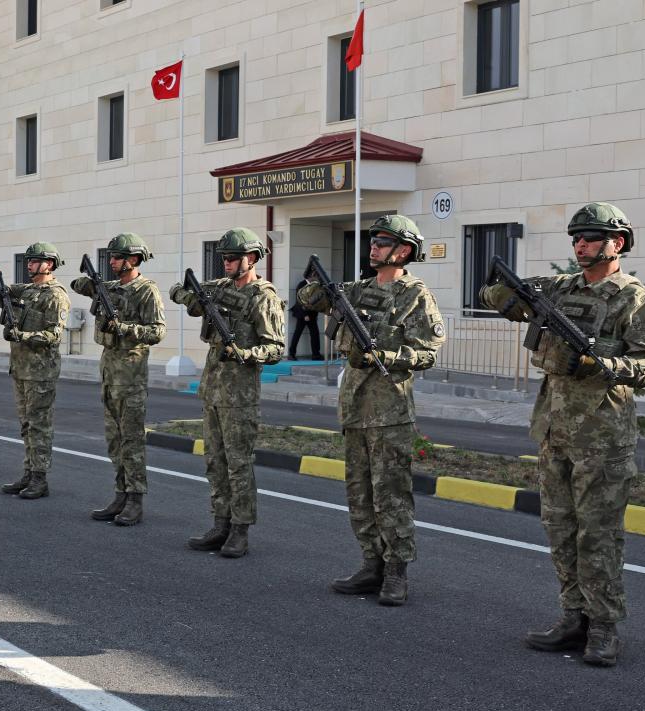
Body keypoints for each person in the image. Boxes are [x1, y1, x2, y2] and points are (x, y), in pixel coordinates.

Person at [479, 202, 645, 666]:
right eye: (575, 239)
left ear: (615, 244)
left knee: (597, 536)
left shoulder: (634, 298)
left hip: (602, 435)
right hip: (554, 428)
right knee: (560, 530)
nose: (580, 245)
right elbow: (499, 297)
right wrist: (504, 294)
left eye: (590, 237)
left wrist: (600, 363)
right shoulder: (559, 289)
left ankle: (604, 628)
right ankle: (572, 617)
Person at [298, 215, 446, 606]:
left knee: (391, 495)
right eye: (373, 241)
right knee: (359, 492)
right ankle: (370, 563)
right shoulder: (357, 289)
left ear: (403, 251)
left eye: (382, 242)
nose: (373, 247)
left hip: (389, 409)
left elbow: (428, 352)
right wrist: (316, 291)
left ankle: (396, 570)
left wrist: (389, 355)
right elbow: (308, 298)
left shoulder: (415, 294)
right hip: (354, 405)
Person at [169, 228, 284, 559]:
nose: (227, 264)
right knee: (214, 462)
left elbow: (275, 349)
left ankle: (240, 530)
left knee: (238, 463)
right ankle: (220, 523)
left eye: (233, 258)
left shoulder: (264, 297)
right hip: (213, 389)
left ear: (251, 259)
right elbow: (180, 291)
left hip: (240, 394)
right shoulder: (218, 289)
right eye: (224, 258)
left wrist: (246, 353)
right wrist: (193, 298)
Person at [71, 233, 166, 524]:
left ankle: (135, 500)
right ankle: (120, 494)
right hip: (109, 373)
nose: (111, 262)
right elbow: (78, 284)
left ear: (133, 260)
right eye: (110, 257)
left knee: (132, 441)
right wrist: (93, 283)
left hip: (131, 374)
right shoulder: (109, 288)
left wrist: (124, 327)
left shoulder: (146, 291)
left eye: (117, 257)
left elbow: (157, 331)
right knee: (114, 440)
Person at [0, 243, 70, 499]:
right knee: (26, 425)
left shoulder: (55, 295)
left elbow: (54, 335)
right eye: (29, 261)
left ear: (50, 265)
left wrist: (22, 335)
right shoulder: (27, 289)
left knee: (39, 426)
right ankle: (28, 471)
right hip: (21, 369)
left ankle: (40, 478)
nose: (30, 265)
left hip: (40, 372)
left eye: (35, 261)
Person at [288, 268, 324, 361]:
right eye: (316, 276)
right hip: (302, 314)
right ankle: (291, 354)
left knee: (315, 334)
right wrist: (304, 315)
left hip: (312, 314)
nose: (317, 278)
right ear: (311, 275)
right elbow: (299, 301)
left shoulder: (315, 285)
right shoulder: (301, 284)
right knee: (297, 333)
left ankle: (316, 355)